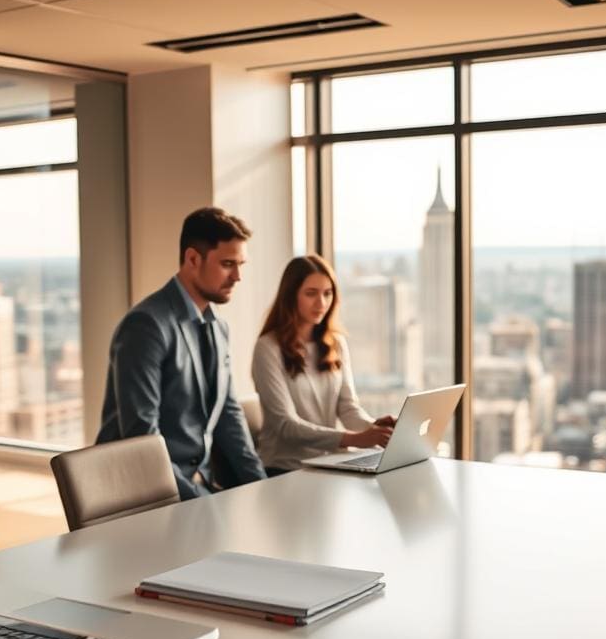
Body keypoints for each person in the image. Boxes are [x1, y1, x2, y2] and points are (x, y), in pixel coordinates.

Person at [96, 207, 266, 499]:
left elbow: (228, 415)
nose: (237, 276)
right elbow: (142, 437)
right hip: (138, 494)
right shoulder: (146, 325)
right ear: (192, 259)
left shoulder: (219, 327)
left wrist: (262, 487)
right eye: (227, 264)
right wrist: (200, 501)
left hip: (196, 486)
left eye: (241, 264)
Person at [251, 255, 396, 475]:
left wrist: (376, 429)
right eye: (311, 293)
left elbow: (348, 408)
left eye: (327, 293)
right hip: (284, 468)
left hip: (329, 462)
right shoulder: (268, 348)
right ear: (290, 296)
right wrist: (356, 439)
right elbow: (285, 425)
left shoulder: (335, 343)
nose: (321, 303)